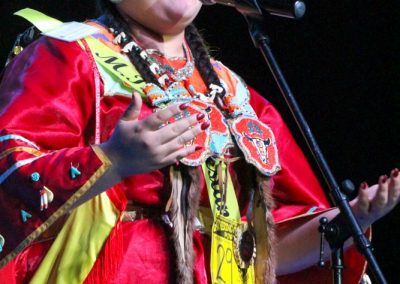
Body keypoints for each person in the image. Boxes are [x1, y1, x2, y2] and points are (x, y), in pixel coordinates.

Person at [0, 0, 398, 283]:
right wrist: (112, 160)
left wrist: (348, 224)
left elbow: (265, 251)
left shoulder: (230, 91)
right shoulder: (70, 53)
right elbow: (11, 177)